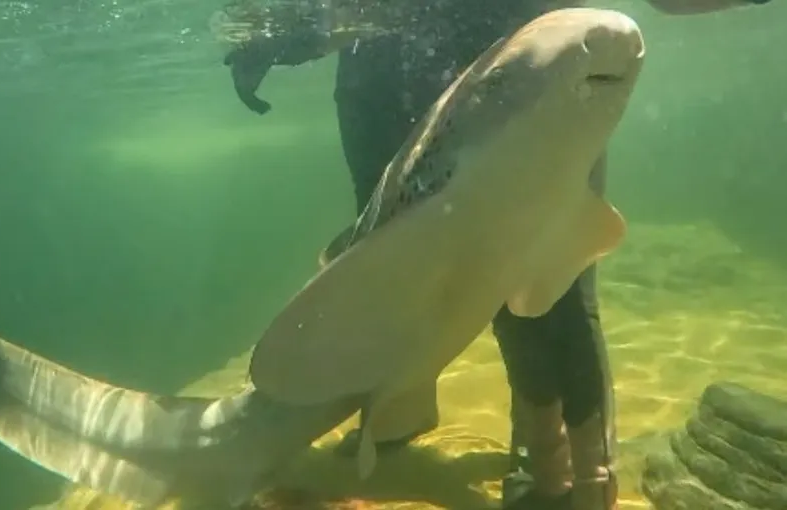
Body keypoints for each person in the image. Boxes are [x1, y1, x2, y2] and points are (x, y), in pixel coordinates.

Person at [221, 0, 772, 508]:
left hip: (538, 69)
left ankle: (569, 471)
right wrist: (270, 40)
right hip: (387, 74)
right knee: (385, 260)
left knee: (551, 295)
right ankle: (395, 412)